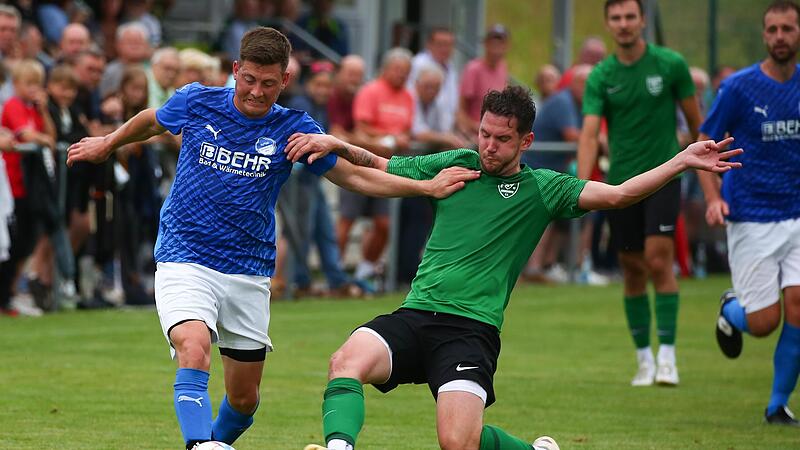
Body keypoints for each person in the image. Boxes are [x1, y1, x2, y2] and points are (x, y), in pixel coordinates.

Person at [65, 27, 478, 450]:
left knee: (244, 400)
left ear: (285, 80)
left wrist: (424, 188)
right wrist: (108, 143)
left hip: (247, 269)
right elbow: (153, 120)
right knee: (194, 345)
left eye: (268, 83)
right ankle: (200, 445)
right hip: (185, 254)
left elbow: (353, 176)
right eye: (249, 80)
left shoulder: (294, 129)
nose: (256, 92)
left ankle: (214, 442)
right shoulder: (197, 100)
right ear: (235, 70)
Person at [285, 85, 740, 450]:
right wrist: (336, 143)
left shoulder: (543, 188)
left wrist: (681, 161)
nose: (488, 146)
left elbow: (619, 194)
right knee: (346, 361)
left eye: (502, 139)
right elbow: (382, 165)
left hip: (471, 330)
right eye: (484, 134)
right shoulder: (457, 163)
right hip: (416, 312)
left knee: (458, 443)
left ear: (526, 141)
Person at [577, 0, 702, 387]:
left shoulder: (671, 65)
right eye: (616, 18)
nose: (624, 24)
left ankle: (668, 358)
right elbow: (589, 134)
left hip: (664, 178)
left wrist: (696, 166)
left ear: (643, 20)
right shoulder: (601, 75)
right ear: (608, 24)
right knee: (632, 269)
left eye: (630, 16)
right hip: (621, 186)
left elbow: (698, 124)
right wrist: (579, 188)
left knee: (659, 260)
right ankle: (644, 360)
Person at [700, 0, 800, 426]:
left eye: (787, 28)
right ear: (764, 35)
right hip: (751, 216)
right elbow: (704, 142)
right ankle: (731, 310)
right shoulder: (739, 87)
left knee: (798, 306)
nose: (780, 36)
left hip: (796, 213)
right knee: (763, 322)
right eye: (772, 29)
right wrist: (712, 198)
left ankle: (777, 405)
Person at [456, 24, 510, 139]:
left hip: (495, 134)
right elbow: (461, 110)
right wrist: (473, 131)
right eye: (493, 44)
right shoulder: (473, 69)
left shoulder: (503, 67)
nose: (496, 49)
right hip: (476, 136)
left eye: (500, 44)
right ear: (485, 44)